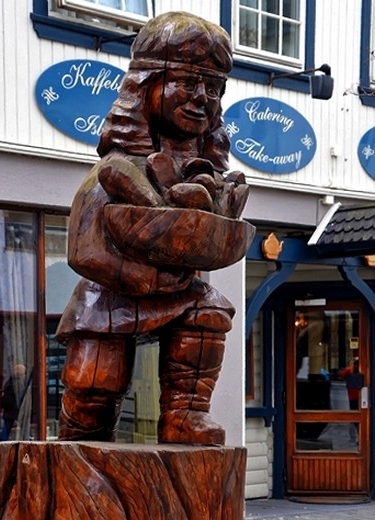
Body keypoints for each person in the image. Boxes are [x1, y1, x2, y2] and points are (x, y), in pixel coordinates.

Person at [56, 11, 249, 445]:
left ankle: (185, 414)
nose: (201, 98)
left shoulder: (205, 176)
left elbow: (195, 240)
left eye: (213, 88)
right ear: (147, 86)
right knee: (95, 384)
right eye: (187, 83)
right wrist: (141, 278)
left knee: (209, 312)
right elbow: (83, 250)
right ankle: (81, 441)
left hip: (180, 293)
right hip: (110, 296)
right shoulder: (115, 169)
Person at [0, 363, 27, 440]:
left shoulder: (9, 382)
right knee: (8, 427)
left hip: (9, 410)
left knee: (7, 427)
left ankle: (2, 440)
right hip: (13, 409)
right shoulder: (18, 383)